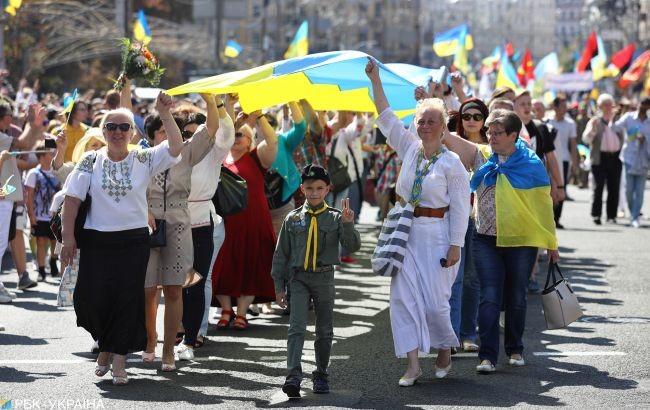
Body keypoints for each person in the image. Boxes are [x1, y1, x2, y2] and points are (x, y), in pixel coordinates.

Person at [60, 94, 183, 386]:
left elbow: (176, 147)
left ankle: (118, 361)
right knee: (90, 300)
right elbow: (72, 201)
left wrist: (165, 114)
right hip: (96, 242)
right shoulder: (90, 160)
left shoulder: (143, 157)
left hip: (133, 242)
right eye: (111, 127)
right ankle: (105, 345)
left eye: (124, 127)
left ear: (133, 133)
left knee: (127, 300)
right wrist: (67, 239)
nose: (117, 132)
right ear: (103, 132)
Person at [367, 58, 470, 385]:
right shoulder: (409, 148)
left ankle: (443, 347)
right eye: (421, 120)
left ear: (443, 127)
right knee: (402, 299)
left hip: (438, 236)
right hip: (406, 235)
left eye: (431, 121)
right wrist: (376, 80)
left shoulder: (452, 163)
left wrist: (456, 244)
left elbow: (460, 208)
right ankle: (412, 364)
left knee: (436, 304)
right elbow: (385, 116)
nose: (424, 126)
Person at [442, 108, 560, 373]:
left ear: (513, 135)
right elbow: (445, 136)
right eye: (489, 132)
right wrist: (432, 105)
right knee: (490, 296)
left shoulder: (531, 164)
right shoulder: (481, 155)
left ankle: (515, 349)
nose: (491, 137)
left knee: (516, 296)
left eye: (497, 133)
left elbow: (543, 207)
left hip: (522, 241)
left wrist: (551, 242)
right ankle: (487, 356)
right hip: (484, 239)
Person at [272, 164, 361, 397]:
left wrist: (349, 224)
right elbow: (281, 254)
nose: (314, 193)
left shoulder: (335, 217)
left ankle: (321, 373)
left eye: (319, 188)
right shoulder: (292, 219)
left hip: (324, 278)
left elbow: (352, 247)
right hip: (299, 278)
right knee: (296, 328)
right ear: (302, 189)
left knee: (324, 330)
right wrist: (278, 287)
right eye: (309, 188)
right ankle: (293, 375)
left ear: (327, 189)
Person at [143, 95, 216, 371]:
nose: (167, 132)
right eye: (162, 128)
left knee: (174, 289)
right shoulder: (142, 157)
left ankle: (169, 351)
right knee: (148, 290)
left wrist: (212, 101)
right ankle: (150, 341)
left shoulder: (186, 152)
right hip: (147, 225)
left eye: (172, 126)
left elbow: (211, 129)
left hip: (178, 224)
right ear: (151, 136)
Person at [176, 95, 233, 360]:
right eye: (186, 133)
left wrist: (216, 105)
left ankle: (191, 336)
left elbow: (227, 132)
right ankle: (176, 330)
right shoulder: (176, 152)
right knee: (175, 283)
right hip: (174, 223)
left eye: (198, 133)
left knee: (197, 281)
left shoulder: (214, 153)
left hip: (201, 223)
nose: (191, 137)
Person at [211, 108, 278, 330]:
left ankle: (241, 313)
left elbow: (272, 139)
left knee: (252, 265)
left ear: (250, 140)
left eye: (240, 134)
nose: (236, 137)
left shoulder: (257, 157)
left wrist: (259, 117)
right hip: (226, 222)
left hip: (253, 222)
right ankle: (225, 309)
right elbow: (220, 132)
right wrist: (232, 119)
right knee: (222, 265)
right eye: (234, 134)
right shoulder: (220, 157)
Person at [453, 98, 489, 352]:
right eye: (467, 116)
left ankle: (468, 333)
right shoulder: (450, 147)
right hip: (453, 218)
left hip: (480, 220)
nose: (472, 120)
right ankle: (451, 335)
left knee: (472, 278)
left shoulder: (491, 147)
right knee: (453, 277)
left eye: (478, 116)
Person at [0, 103, 45, 298]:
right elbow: (25, 144)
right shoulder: (1, 138)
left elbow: (25, 153)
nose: (12, 117)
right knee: (0, 243)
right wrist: (32, 122)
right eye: (10, 114)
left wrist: (34, 124)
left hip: (5, 194)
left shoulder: (4, 138)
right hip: (2, 196)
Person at [582, 94, 625, 225]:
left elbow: (624, 137)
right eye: (604, 104)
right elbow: (585, 139)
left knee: (614, 187)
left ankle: (611, 215)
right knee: (598, 187)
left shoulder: (617, 120)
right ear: (599, 106)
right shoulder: (595, 121)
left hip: (615, 157)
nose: (607, 107)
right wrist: (592, 132)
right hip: (600, 157)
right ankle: (596, 214)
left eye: (609, 104)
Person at [266, 101, 306, 235]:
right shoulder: (249, 142)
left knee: (283, 246)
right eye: (261, 123)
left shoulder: (282, 139)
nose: (266, 127)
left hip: (283, 204)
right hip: (258, 206)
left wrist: (292, 101)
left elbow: (300, 127)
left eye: (270, 124)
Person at [24, 143, 60, 281]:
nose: (53, 156)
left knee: (55, 241)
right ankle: (41, 270)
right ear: (42, 156)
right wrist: (31, 215)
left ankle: (53, 261)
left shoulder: (57, 172)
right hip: (39, 215)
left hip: (54, 214)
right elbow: (30, 196)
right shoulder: (34, 173)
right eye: (50, 153)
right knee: (40, 241)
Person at [615, 97, 650, 228]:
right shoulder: (629, 117)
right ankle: (632, 211)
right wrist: (615, 115)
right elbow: (614, 128)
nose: (643, 107)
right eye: (642, 104)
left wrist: (645, 139)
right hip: (629, 158)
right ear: (639, 104)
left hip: (643, 160)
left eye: (646, 105)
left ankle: (635, 217)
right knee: (629, 190)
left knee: (639, 191)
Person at [548, 96, 579, 229]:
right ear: (555, 107)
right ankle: (548, 216)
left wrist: (575, 163)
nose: (565, 109)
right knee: (549, 187)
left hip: (564, 160)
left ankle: (557, 217)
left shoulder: (570, 123)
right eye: (562, 106)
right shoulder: (547, 121)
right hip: (550, 159)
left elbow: (573, 144)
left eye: (566, 106)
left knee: (561, 187)